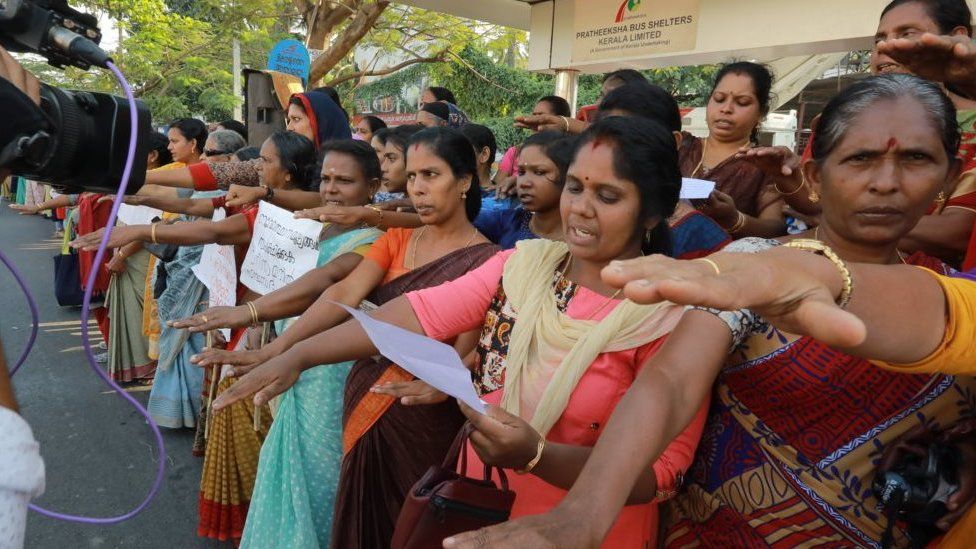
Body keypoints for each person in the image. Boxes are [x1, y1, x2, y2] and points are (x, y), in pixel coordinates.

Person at [444, 74, 976, 549]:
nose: (885, 182)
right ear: (813, 174)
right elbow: (670, 380)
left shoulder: (956, 298)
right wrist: (582, 516)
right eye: (861, 159)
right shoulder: (747, 269)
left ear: (950, 177)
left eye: (915, 159)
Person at [201, 117, 708, 549]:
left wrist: (538, 456)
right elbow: (415, 313)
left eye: (609, 195)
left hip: (585, 525)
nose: (580, 207)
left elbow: (661, 474)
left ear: (655, 212)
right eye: (575, 186)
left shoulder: (673, 316)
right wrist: (296, 356)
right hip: (475, 498)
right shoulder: (522, 265)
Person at [192, 127, 498, 548]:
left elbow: (464, 355)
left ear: (465, 181)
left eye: (432, 175)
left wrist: (442, 383)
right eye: (412, 178)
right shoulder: (397, 239)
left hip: (422, 415)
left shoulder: (486, 260)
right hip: (363, 400)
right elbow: (340, 292)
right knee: (360, 517)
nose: (419, 189)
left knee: (411, 525)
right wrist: (282, 349)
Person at [174, 141, 386, 548]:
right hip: (291, 357)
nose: (332, 190)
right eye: (326, 179)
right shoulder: (309, 225)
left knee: (318, 477)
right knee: (285, 463)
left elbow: (326, 284)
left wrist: (248, 313)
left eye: (345, 181)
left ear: (373, 186)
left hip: (330, 371)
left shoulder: (374, 240)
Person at [143, 91, 350, 212]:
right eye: (288, 121)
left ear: (320, 123)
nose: (290, 128)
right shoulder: (277, 159)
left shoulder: (349, 162)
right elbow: (221, 173)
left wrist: (265, 193)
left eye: (297, 120)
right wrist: (144, 178)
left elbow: (325, 201)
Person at [598, 82, 732, 259]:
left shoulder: (702, 236)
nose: (610, 149)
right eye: (603, 136)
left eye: (630, 138)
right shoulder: (574, 208)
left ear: (674, 141)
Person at [100, 135, 175, 383]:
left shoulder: (163, 182)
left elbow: (149, 227)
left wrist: (121, 254)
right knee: (130, 312)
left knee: (145, 311)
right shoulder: (136, 180)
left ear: (152, 156)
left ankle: (150, 366)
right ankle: (134, 364)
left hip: (140, 254)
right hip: (125, 252)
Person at [476, 131, 573, 248]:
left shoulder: (579, 243)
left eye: (539, 172)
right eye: (521, 172)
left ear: (569, 176)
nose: (524, 183)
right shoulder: (510, 221)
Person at [495, 96, 574, 190]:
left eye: (540, 116)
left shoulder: (573, 154)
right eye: (521, 172)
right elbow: (499, 185)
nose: (534, 120)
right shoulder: (515, 151)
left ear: (560, 120)